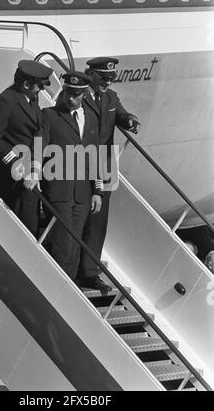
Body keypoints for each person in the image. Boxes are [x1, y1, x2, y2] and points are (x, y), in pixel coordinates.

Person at [25, 71, 103, 282]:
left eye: (76, 94)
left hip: (83, 192)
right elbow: (40, 144)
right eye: (68, 93)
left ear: (84, 94)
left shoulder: (92, 118)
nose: (70, 98)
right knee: (61, 241)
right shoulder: (50, 115)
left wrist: (97, 191)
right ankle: (59, 284)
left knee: (75, 241)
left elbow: (95, 153)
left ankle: (70, 285)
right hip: (59, 189)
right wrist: (35, 169)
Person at [77, 57, 140, 293]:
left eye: (111, 78)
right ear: (90, 74)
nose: (107, 82)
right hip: (81, 164)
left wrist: (130, 120)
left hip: (105, 165)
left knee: (98, 222)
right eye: (103, 78)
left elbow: (120, 115)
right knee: (78, 215)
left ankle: (90, 273)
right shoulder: (78, 96)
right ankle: (71, 268)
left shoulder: (111, 97)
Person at [0, 59, 53, 236]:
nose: (42, 90)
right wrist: (16, 162)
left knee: (30, 223)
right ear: (26, 84)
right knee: (16, 227)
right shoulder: (5, 101)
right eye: (40, 86)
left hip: (30, 173)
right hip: (10, 176)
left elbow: (37, 130)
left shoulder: (31, 99)